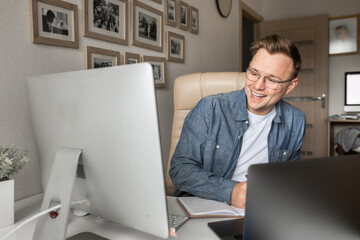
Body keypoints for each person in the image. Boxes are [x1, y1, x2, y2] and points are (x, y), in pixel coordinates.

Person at [169, 34, 306, 209]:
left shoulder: (296, 120)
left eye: (271, 80)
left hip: (259, 209)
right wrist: (230, 192)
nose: (257, 86)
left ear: (290, 86)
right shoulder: (210, 108)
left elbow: (288, 178)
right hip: (203, 204)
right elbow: (180, 170)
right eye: (254, 73)